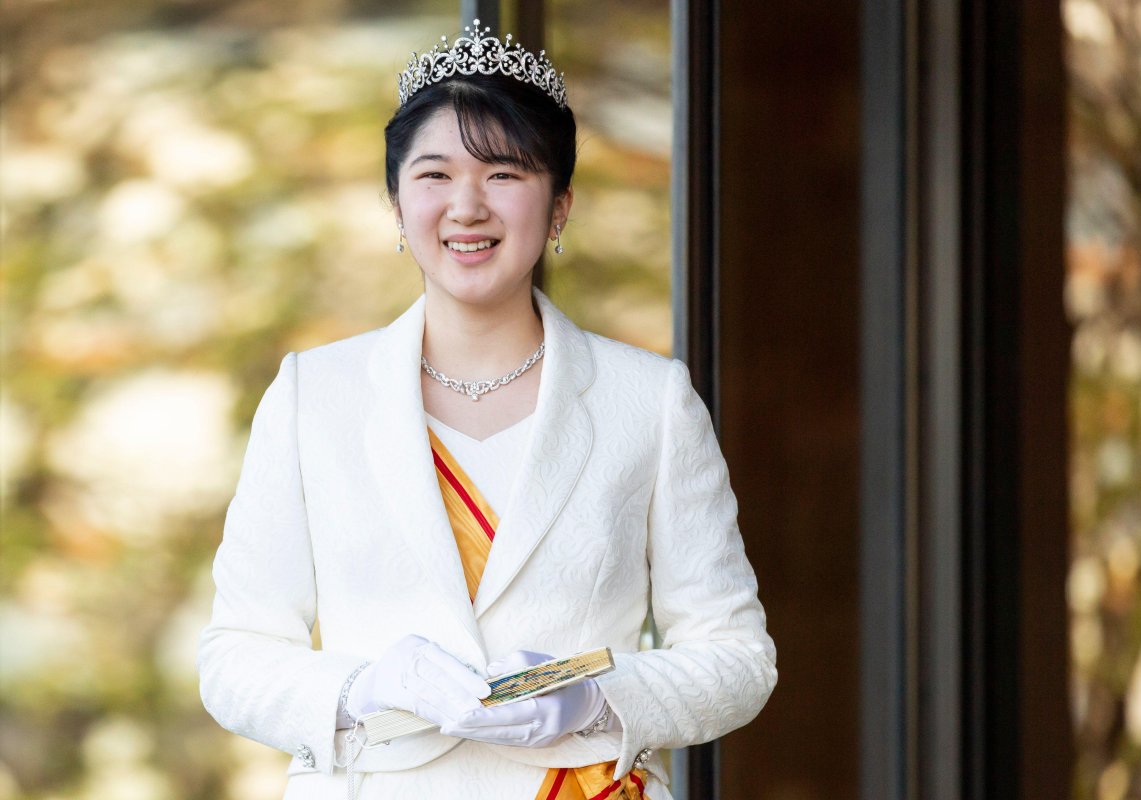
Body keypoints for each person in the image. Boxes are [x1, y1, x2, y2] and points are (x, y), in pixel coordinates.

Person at [197, 20, 776, 800]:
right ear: (398, 204)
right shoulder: (313, 396)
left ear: (560, 206)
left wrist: (598, 697)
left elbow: (737, 657)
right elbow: (235, 656)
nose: (467, 206)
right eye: (434, 175)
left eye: (504, 173)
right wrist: (363, 688)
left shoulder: (651, 399)